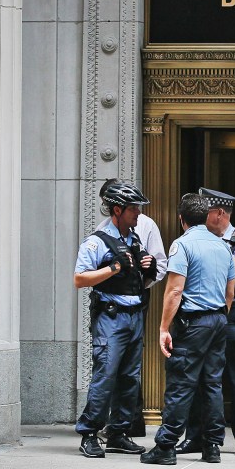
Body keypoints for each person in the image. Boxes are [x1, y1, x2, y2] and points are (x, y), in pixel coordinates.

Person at [141, 193, 235, 465]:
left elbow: (174, 290)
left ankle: (166, 446)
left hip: (193, 323)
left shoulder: (182, 245)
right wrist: (218, 317)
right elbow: (230, 292)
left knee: (181, 384)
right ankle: (212, 446)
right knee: (212, 384)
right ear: (206, 218)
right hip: (218, 319)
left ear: (181, 219)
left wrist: (163, 328)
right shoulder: (223, 246)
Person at [175, 188, 235, 457]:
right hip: (203, 314)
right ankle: (194, 436)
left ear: (219, 213)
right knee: (197, 376)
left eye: (207, 212)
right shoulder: (199, 239)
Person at [73, 181, 159, 458]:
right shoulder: (97, 240)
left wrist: (150, 269)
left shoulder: (134, 239)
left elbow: (140, 280)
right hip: (110, 317)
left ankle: (118, 433)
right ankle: (89, 433)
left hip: (134, 316)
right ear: (118, 210)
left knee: (129, 378)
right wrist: (114, 267)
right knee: (105, 376)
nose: (138, 213)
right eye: (133, 208)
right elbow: (80, 278)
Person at [96, 179, 168, 437]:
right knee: (110, 361)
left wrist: (142, 273)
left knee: (129, 362)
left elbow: (160, 265)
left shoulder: (145, 224)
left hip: (137, 297)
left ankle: (129, 422)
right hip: (109, 302)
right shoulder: (101, 231)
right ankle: (115, 423)